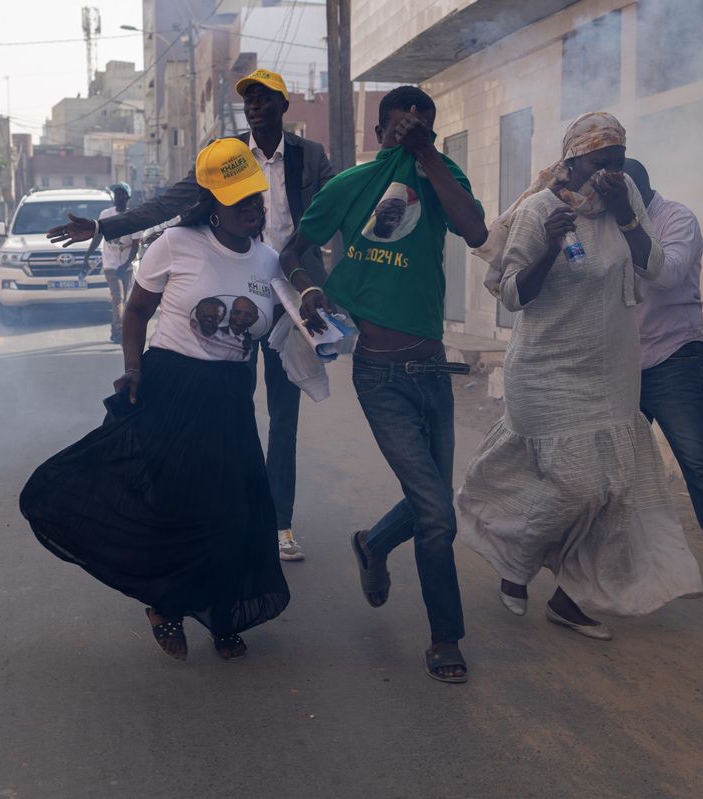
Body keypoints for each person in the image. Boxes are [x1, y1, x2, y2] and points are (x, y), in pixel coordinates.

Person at [47, 68, 335, 562]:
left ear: (285, 107)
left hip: (288, 289)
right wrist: (102, 225)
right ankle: (233, 516)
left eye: (266, 99)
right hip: (230, 288)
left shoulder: (310, 156)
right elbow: (171, 202)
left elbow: (337, 209)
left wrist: (331, 287)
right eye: (250, 99)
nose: (256, 106)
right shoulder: (228, 157)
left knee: (284, 418)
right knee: (234, 414)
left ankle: (279, 523)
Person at [20, 139, 290, 661]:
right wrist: (132, 369)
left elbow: (273, 326)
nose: (253, 210)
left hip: (232, 398)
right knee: (171, 505)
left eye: (257, 199)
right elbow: (137, 311)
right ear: (213, 204)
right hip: (172, 386)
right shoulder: (176, 244)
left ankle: (221, 610)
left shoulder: (270, 261)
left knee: (232, 510)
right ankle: (163, 606)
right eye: (241, 202)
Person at [457, 113, 703, 642]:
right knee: (577, 483)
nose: (611, 173)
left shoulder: (625, 203)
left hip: (612, 369)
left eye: (618, 163)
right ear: (572, 161)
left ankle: (571, 599)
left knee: (614, 489)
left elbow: (657, 269)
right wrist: (547, 246)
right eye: (600, 163)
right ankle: (515, 559)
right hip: (546, 370)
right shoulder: (540, 211)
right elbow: (513, 295)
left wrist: (628, 217)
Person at [280, 85, 488, 683]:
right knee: (437, 514)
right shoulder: (350, 184)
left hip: (433, 369)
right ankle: (445, 636)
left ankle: (373, 544)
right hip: (380, 373)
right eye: (400, 126)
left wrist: (427, 158)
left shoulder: (441, 174)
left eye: (423, 126)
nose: (410, 132)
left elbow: (475, 232)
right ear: (378, 133)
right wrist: (310, 287)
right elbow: (293, 251)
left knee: (434, 506)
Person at [622, 158, 703, 594]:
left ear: (638, 190)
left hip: (674, 355)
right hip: (620, 361)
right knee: (614, 467)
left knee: (701, 461)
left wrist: (627, 225)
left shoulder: (676, 218)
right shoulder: (603, 220)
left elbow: (668, 274)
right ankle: (613, 565)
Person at [97, 183, 142, 344]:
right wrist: (88, 257)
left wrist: (124, 266)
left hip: (127, 265)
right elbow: (97, 235)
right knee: (118, 297)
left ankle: (117, 329)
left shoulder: (133, 218)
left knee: (125, 299)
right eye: (116, 195)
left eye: (122, 195)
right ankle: (118, 332)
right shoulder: (106, 214)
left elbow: (136, 246)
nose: (118, 198)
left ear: (127, 198)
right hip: (110, 264)